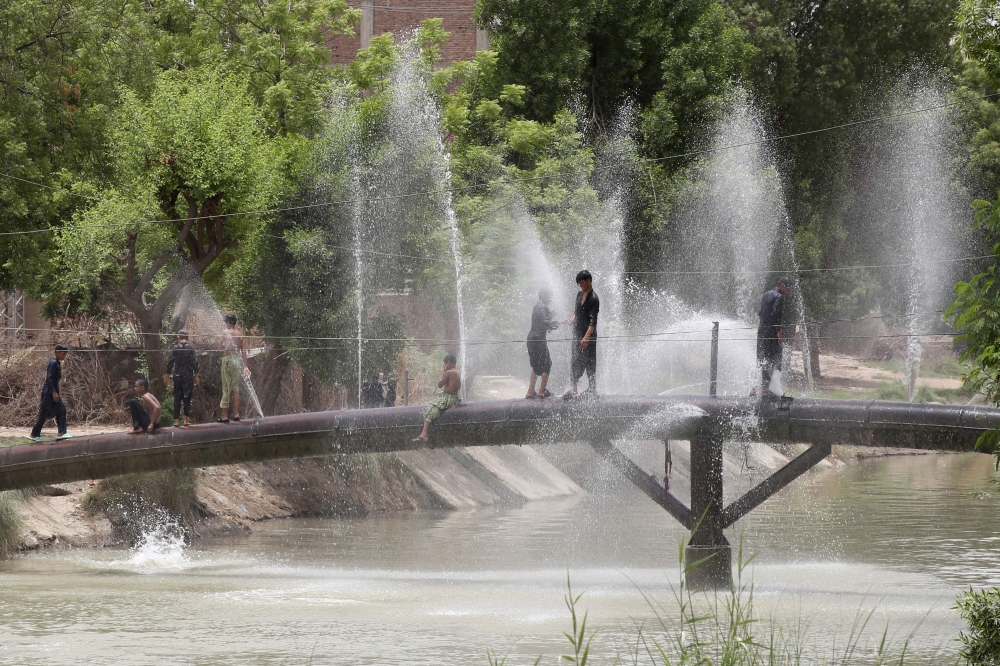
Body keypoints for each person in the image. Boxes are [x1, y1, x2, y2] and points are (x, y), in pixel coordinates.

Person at [563, 270, 600, 398]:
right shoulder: (579, 294)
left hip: (588, 336)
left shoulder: (594, 298)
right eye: (579, 284)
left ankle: (592, 389)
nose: (581, 286)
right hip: (577, 334)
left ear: (589, 280)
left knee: (589, 361)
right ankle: (573, 389)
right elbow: (577, 312)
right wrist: (572, 318)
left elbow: (593, 321)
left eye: (583, 283)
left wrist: (586, 337)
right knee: (575, 360)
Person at [756, 276, 792, 398]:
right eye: (788, 287)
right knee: (774, 358)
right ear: (782, 285)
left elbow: (761, 313)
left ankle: (757, 386)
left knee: (763, 358)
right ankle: (765, 389)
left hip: (762, 331)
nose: (789, 290)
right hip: (771, 332)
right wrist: (779, 332)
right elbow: (776, 315)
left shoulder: (766, 294)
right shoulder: (779, 297)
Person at [412, 353, 461, 442]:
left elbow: (439, 384)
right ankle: (424, 433)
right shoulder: (458, 372)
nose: (444, 365)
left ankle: (424, 433)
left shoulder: (449, 372)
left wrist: (444, 371)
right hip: (454, 397)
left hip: (448, 398)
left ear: (448, 363)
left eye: (444, 363)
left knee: (431, 408)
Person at [28, 344, 71, 442]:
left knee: (60, 411)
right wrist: (54, 392)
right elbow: (49, 379)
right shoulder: (53, 363)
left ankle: (60, 433)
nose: (64, 356)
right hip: (49, 392)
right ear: (58, 352)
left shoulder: (57, 363)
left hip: (51, 392)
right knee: (47, 413)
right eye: (63, 354)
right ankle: (35, 434)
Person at [526, 288, 560, 399]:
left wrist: (552, 320)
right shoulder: (541, 307)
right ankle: (541, 392)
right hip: (538, 339)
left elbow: (543, 321)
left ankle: (530, 392)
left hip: (532, 338)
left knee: (536, 365)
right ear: (543, 297)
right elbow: (545, 322)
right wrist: (552, 323)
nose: (550, 299)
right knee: (547, 363)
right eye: (549, 297)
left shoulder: (537, 306)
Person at [163, 330, 199, 427]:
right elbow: (194, 362)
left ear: (178, 337)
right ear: (187, 337)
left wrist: (167, 375)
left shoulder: (175, 347)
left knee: (177, 397)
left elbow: (171, 361)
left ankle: (176, 420)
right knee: (187, 396)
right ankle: (186, 419)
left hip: (177, 374)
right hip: (188, 374)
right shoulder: (191, 347)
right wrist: (197, 375)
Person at [219, 314, 250, 423]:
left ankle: (224, 416)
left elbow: (219, 347)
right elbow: (243, 351)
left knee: (226, 387)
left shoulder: (224, 333)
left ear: (228, 323)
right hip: (237, 360)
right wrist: (246, 367)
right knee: (236, 387)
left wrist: (223, 345)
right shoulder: (240, 335)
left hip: (227, 360)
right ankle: (236, 413)